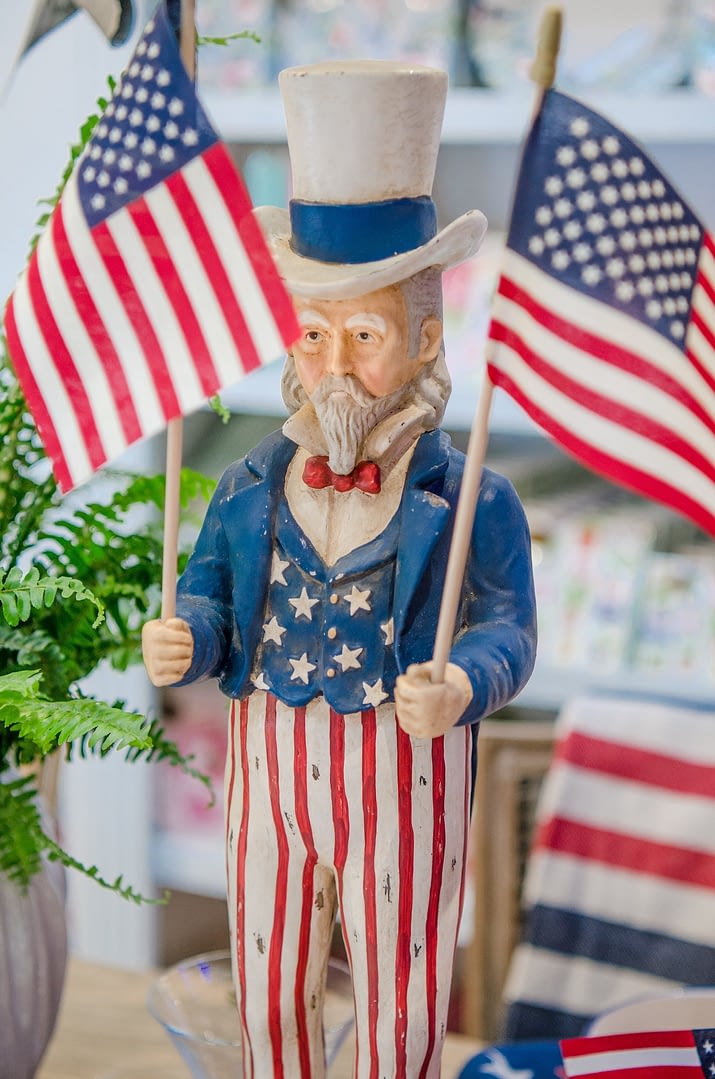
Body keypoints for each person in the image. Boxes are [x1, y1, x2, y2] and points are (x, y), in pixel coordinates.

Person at [142, 60, 537, 1079]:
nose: (330, 369)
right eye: (312, 336)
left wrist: (464, 679)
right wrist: (187, 632)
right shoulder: (245, 488)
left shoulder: (475, 497)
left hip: (403, 782)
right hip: (268, 774)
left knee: (401, 993)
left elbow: (509, 627)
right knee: (269, 986)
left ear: (423, 342)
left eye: (362, 337)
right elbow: (212, 599)